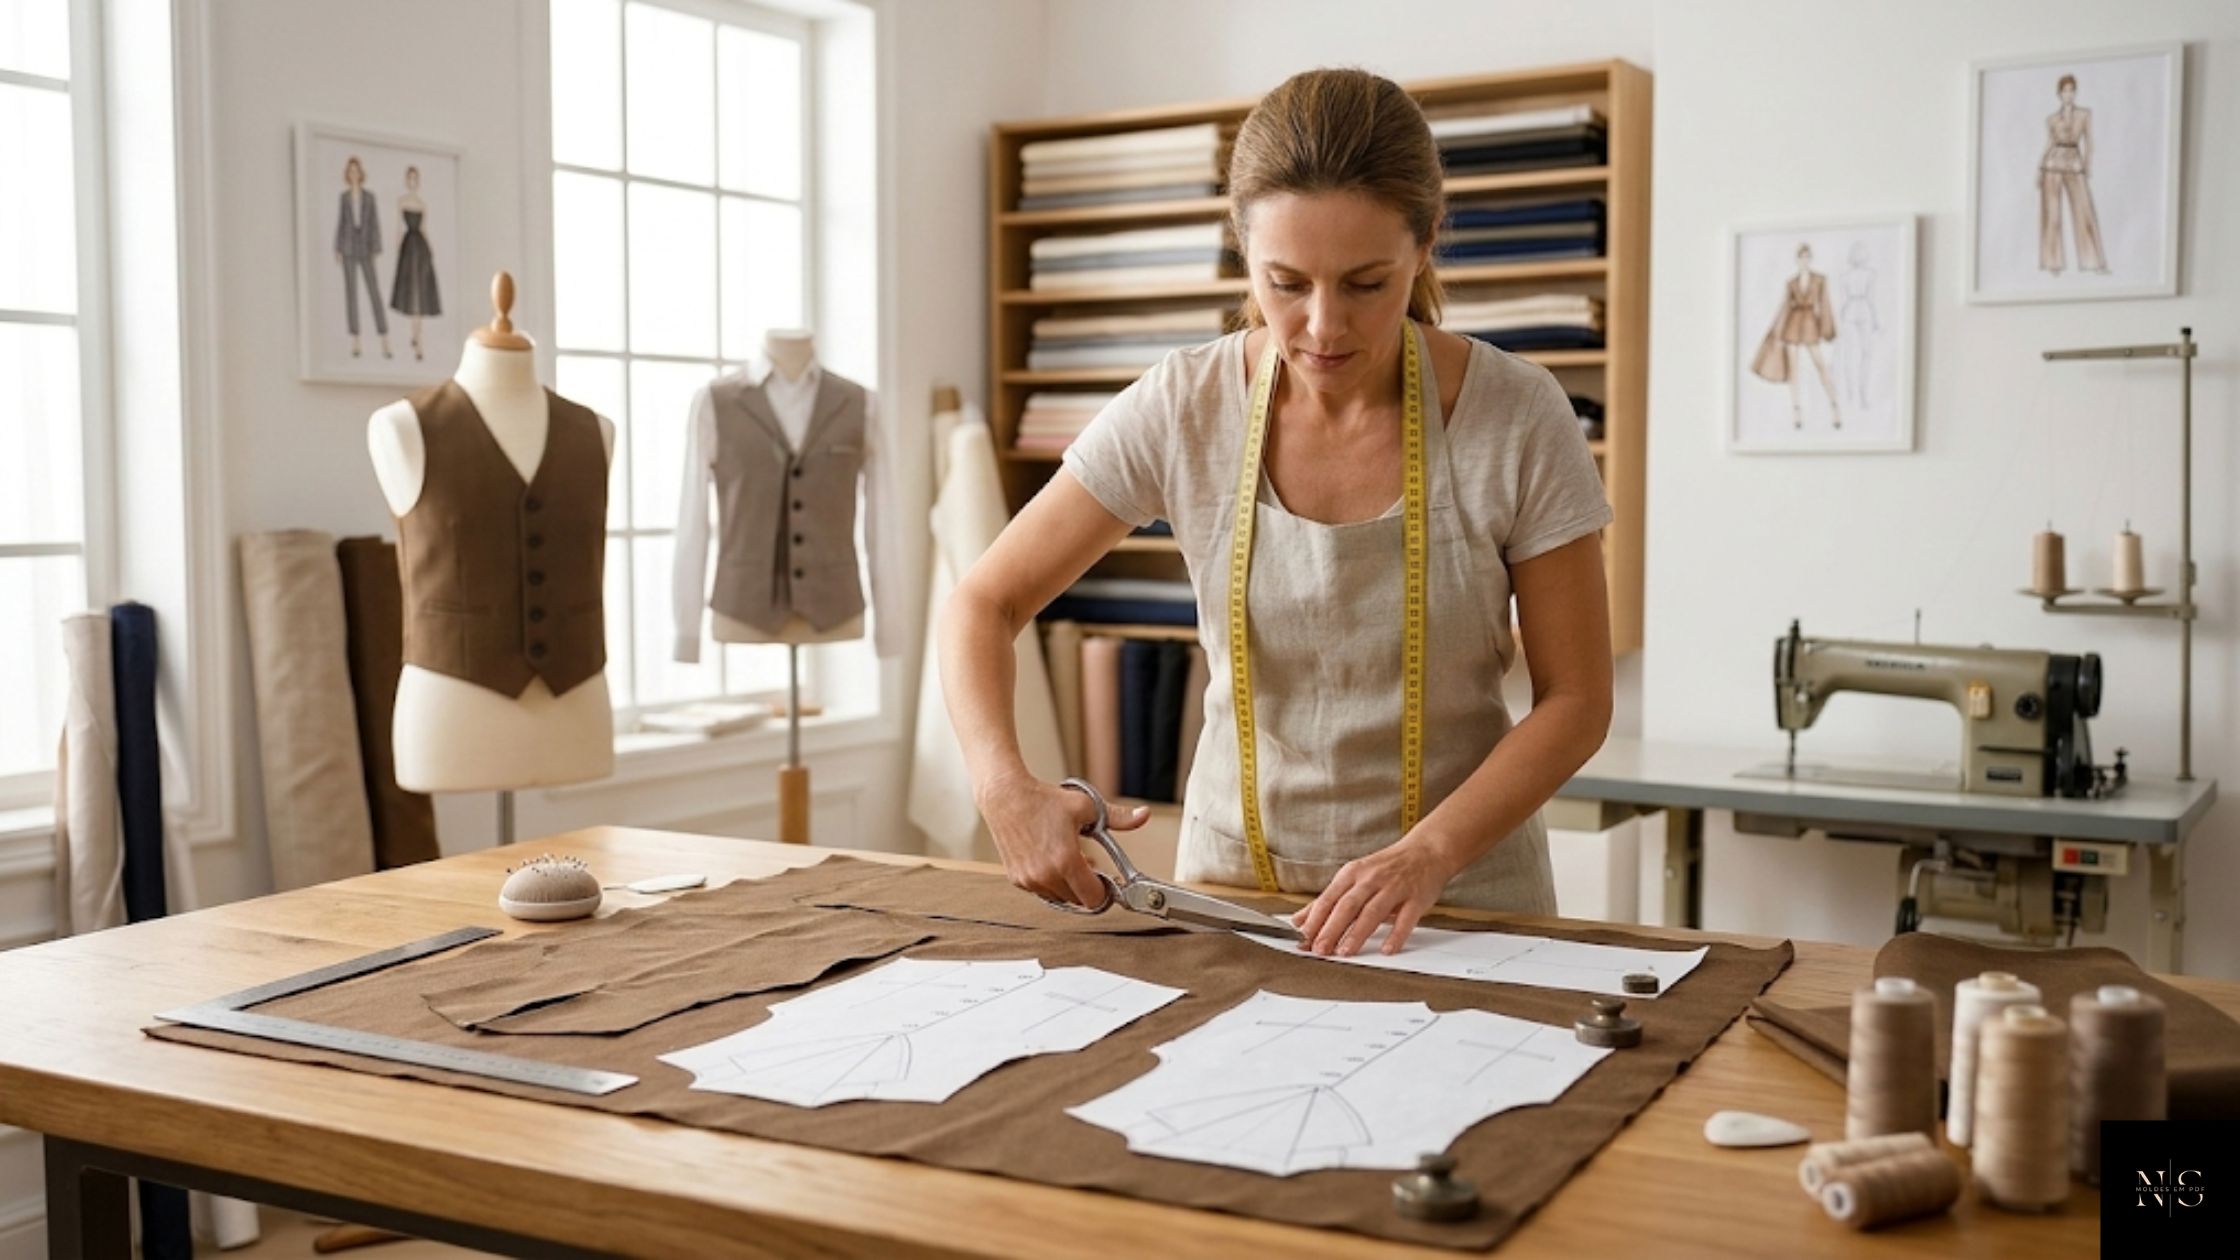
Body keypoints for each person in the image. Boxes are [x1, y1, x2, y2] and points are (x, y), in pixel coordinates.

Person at [939, 68, 1613, 959]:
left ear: (1426, 245)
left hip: (1463, 906)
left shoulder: (1518, 414)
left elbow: (1577, 699)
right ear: (1242, 252)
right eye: (1286, 283)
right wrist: (1002, 784)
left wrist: (1427, 854)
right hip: (1230, 900)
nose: (1324, 326)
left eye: (1367, 283)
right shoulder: (1184, 405)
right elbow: (982, 603)